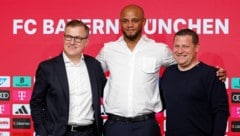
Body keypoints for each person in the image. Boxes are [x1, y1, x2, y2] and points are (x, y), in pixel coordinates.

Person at [96, 4, 227, 136]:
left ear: (144, 21)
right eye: (125, 21)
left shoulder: (159, 50)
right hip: (115, 125)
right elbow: (90, 71)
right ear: (120, 23)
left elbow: (186, 63)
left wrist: (214, 73)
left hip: (147, 126)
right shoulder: (108, 50)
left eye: (135, 20)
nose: (130, 25)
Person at [30, 20, 106, 136]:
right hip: (59, 133)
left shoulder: (94, 65)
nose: (72, 42)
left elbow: (106, 93)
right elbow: (36, 103)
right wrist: (42, 131)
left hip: (90, 132)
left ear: (86, 41)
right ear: (63, 38)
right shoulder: (47, 68)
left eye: (77, 38)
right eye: (68, 37)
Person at [160, 28, 229, 136]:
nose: (180, 51)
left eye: (185, 46)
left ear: (196, 48)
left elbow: (221, 112)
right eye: (177, 46)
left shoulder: (212, 75)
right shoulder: (169, 72)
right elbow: (159, 103)